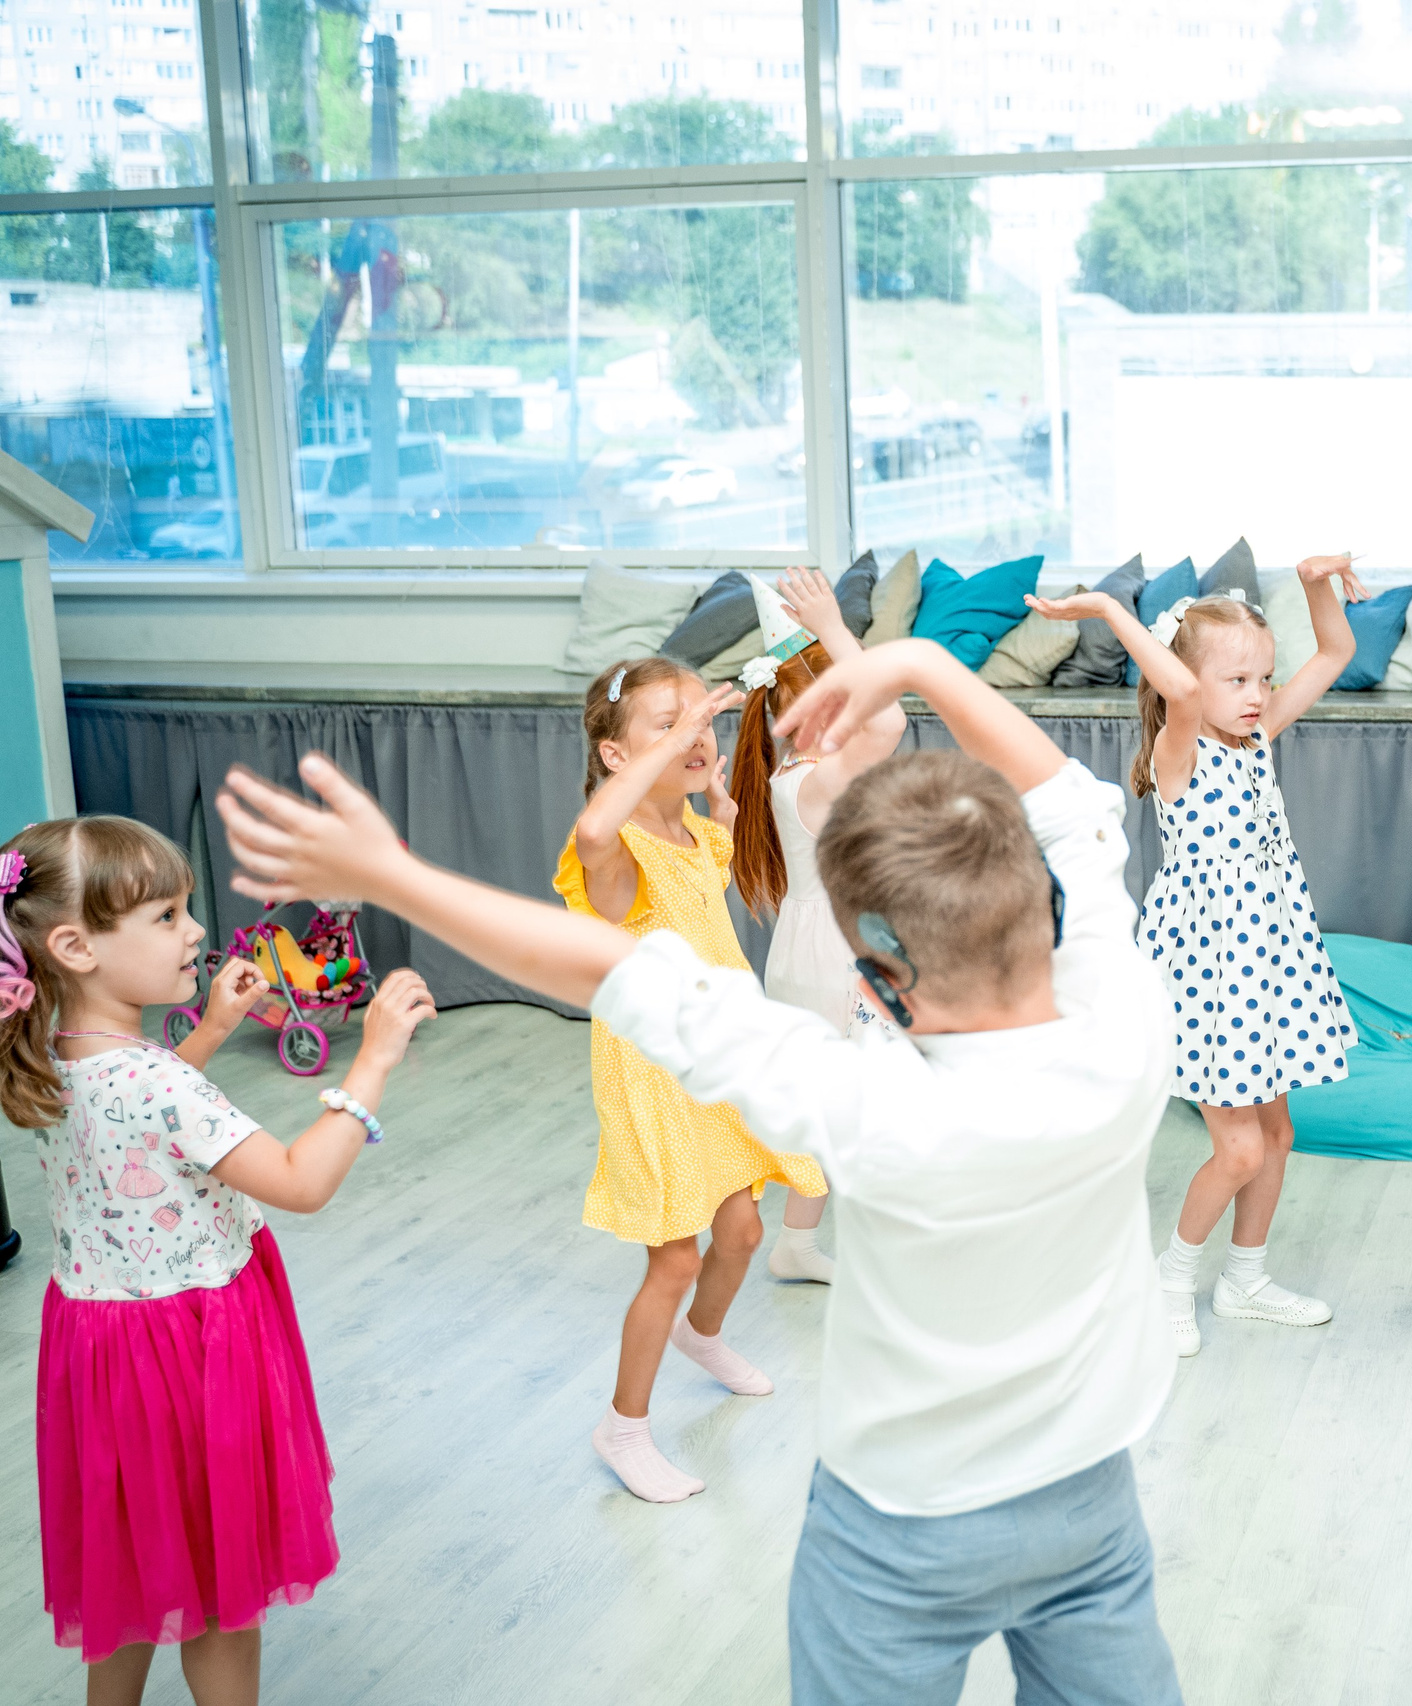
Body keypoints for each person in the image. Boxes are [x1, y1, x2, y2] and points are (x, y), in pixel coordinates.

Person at [219, 637, 1186, 1704]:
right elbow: (1074, 813)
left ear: (881, 981)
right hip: (1092, 1503)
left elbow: (604, 966)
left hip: (898, 1529)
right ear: (1036, 902)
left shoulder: (864, 1104)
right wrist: (916, 660)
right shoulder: (1128, 1020)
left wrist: (390, 876)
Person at [5, 816, 435, 1706]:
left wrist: (210, 1029)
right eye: (166, 917)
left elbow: (139, 1134)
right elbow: (298, 1180)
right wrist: (375, 1065)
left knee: (126, 1576)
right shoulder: (159, 1084)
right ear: (76, 945)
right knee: (219, 1599)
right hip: (191, 1356)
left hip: (101, 1354)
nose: (196, 932)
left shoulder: (50, 1053)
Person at [1026, 561, 1368, 1357]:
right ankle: (1171, 1277)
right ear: (1190, 678)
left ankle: (1245, 1278)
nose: (1256, 694)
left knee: (1277, 1137)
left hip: (1270, 957)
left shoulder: (1258, 735)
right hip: (1211, 972)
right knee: (1239, 1147)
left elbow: (1335, 652)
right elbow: (1179, 695)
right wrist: (1113, 608)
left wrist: (1316, 581)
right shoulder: (1178, 749)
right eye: (1236, 678)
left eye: (1263, 677)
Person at [559, 655, 829, 1503]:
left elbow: (704, 892)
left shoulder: (691, 836)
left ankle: (703, 1337)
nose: (695, 736)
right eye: (666, 724)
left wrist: (718, 808)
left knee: (744, 1230)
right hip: (654, 1074)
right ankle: (624, 1426)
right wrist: (677, 748)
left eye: (701, 721)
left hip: (718, 1061)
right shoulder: (616, 850)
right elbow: (597, 837)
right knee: (673, 1260)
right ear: (616, 755)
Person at [728, 566, 911, 1285]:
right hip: (835, 959)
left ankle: (799, 1243)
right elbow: (892, 716)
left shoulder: (800, 772)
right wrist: (834, 628)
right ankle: (852, 1245)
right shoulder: (818, 776)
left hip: (820, 951)